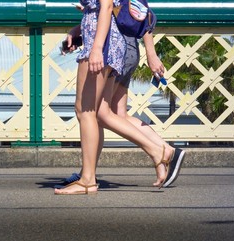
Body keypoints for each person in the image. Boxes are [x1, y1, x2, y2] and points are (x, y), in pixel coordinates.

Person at [55, 0, 184, 195]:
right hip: (108, 42)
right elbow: (104, 9)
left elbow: (107, 6)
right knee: (98, 112)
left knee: (86, 111)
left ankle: (89, 179)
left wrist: (96, 48)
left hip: (104, 44)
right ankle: (88, 175)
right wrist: (78, 31)